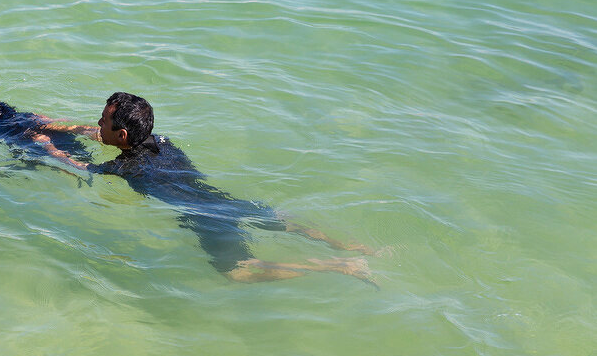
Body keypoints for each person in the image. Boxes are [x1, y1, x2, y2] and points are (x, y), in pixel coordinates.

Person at [29, 92, 378, 285]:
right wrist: (61, 125)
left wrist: (46, 143)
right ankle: (357, 246)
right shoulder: (163, 142)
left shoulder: (122, 167)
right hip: (221, 200)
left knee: (240, 272)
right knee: (281, 220)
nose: (98, 124)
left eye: (103, 120)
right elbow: (103, 134)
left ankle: (340, 265)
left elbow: (79, 167)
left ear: (121, 136)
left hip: (204, 217)